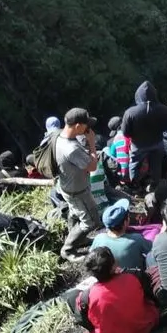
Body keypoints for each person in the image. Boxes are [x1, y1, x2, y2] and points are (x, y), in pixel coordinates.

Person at [74, 246, 161, 333]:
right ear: (113, 266)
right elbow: (149, 296)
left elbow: (83, 321)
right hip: (144, 330)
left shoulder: (85, 297)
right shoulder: (132, 277)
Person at [55, 108, 102, 262]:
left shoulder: (59, 136)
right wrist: (92, 143)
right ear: (77, 126)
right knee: (91, 221)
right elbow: (92, 167)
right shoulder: (71, 148)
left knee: (75, 213)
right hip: (77, 191)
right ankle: (68, 249)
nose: (88, 128)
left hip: (67, 186)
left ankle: (79, 239)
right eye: (85, 125)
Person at [122, 80, 167, 191]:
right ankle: (155, 185)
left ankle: (135, 186)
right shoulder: (163, 109)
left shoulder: (130, 112)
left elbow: (125, 132)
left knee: (134, 163)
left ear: (138, 95)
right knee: (156, 165)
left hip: (138, 144)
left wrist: (136, 135)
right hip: (157, 142)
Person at [91, 199, 152, 272]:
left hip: (109, 277)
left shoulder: (98, 238)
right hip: (134, 277)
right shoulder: (136, 239)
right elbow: (152, 249)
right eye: (128, 216)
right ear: (125, 222)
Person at [106, 116, 131, 184]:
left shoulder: (116, 138)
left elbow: (112, 154)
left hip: (122, 175)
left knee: (106, 149)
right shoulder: (131, 134)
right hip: (135, 173)